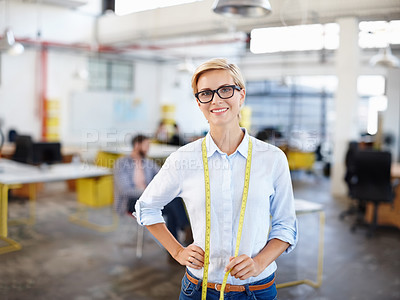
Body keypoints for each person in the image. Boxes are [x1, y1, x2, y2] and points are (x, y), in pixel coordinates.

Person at [135, 59, 298, 300]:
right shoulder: (184, 159)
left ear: (241, 95)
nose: (216, 100)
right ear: (199, 103)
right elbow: (146, 207)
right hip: (198, 289)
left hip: (257, 290)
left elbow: (286, 226)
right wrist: (178, 251)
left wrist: (259, 262)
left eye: (225, 90)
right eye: (206, 93)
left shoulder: (272, 158)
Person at [113, 134, 191, 244]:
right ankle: (185, 230)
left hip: (149, 198)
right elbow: (125, 190)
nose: (148, 148)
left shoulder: (148, 163)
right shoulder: (121, 163)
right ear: (137, 145)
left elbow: (163, 175)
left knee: (173, 203)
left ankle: (179, 241)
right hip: (131, 202)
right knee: (172, 207)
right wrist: (150, 193)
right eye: (146, 145)